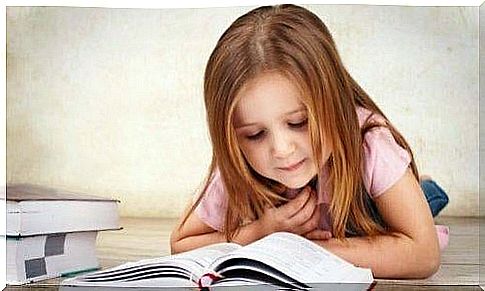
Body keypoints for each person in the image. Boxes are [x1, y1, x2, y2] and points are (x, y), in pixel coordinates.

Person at [170, 4, 449, 279]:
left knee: (423, 200)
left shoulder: (370, 143)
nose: (282, 150)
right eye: (255, 134)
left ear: (336, 103)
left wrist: (303, 249)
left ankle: (423, 187)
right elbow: (181, 244)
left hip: (372, 215)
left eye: (299, 122)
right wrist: (262, 232)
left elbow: (424, 254)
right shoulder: (238, 159)